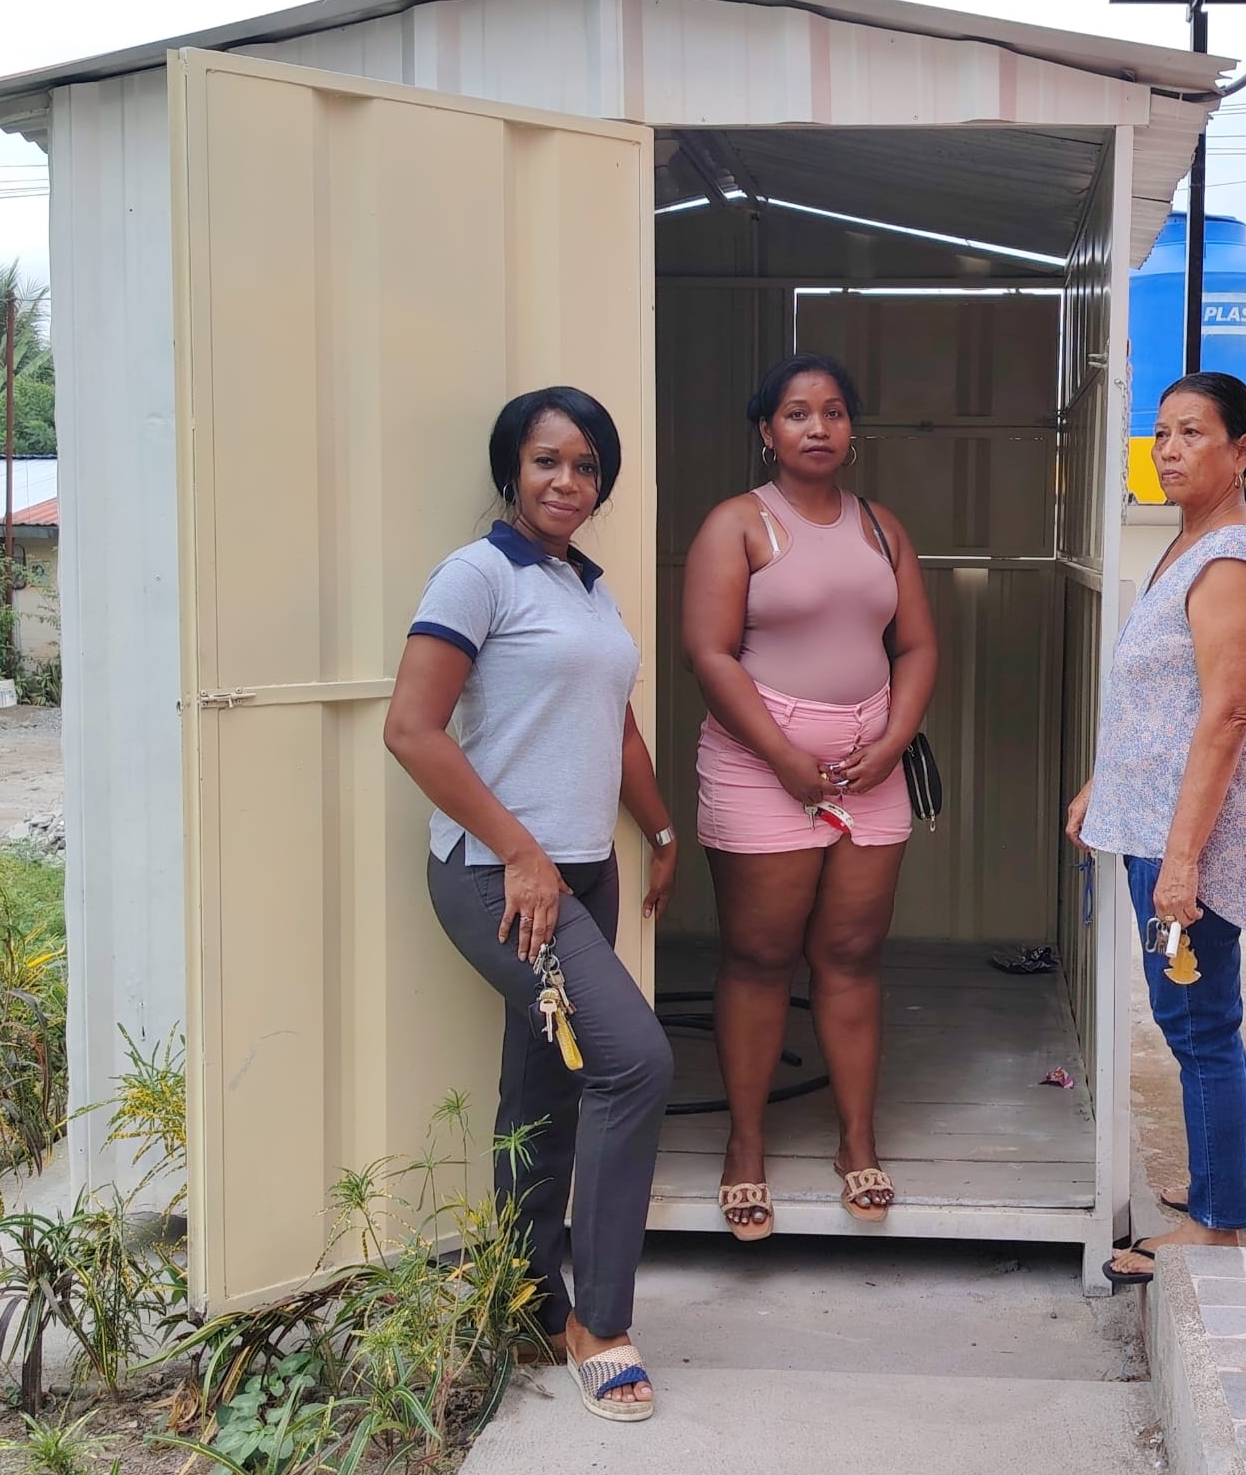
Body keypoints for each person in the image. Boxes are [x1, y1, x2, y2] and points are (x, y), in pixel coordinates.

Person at [384, 386, 677, 1421]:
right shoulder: (478, 573)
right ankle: (600, 1322)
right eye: (548, 460)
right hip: (500, 878)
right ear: (511, 467)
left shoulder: (585, 583)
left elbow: (616, 723)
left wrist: (661, 831)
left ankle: (522, 1300)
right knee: (634, 1062)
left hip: (583, 871)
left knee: (545, 1091)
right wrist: (519, 852)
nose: (568, 481)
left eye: (587, 465)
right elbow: (411, 728)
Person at [681, 353, 938, 1238]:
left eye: (833, 411)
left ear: (851, 430)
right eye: (796, 412)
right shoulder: (738, 524)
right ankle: (745, 1146)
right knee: (760, 956)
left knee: (853, 953)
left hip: (871, 765)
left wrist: (894, 740)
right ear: (767, 430)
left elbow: (917, 646)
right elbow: (709, 653)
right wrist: (784, 756)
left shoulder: (882, 528)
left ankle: (856, 1138)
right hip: (763, 765)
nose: (817, 426)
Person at [1067, 371, 1246, 1287]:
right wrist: (1105, 783)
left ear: (1242, 450)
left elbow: (1228, 713)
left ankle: (1215, 1223)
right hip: (1157, 821)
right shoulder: (1189, 544)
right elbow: (1162, 701)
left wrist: (1183, 861)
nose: (1168, 449)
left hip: (1190, 842)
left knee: (1195, 1021)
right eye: (1160, 432)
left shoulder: (1230, 561)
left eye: (1192, 433)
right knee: (1208, 1016)